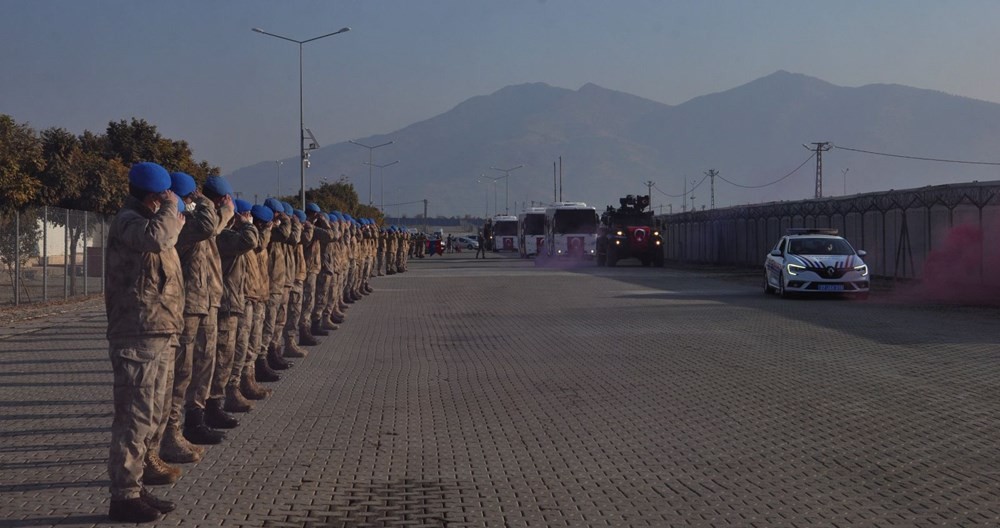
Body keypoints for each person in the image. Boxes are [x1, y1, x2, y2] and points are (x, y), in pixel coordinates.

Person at [105, 162, 184, 523]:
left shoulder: (153, 222)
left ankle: (138, 485)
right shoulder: (129, 222)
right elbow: (155, 238)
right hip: (137, 334)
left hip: (159, 331)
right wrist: (171, 207)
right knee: (134, 418)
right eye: (163, 197)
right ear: (153, 197)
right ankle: (123, 496)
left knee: (152, 414)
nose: (169, 203)